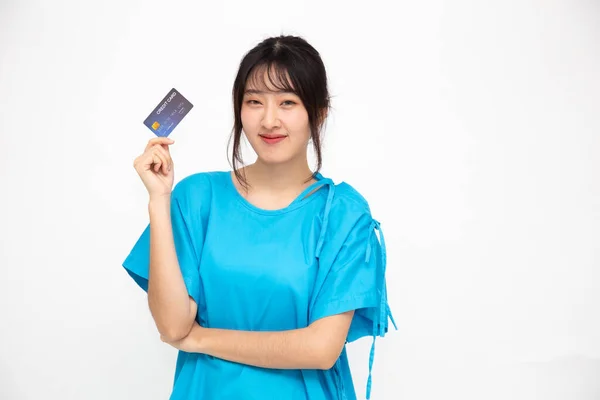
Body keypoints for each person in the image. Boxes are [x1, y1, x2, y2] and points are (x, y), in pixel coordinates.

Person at [122, 34, 396, 400]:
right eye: (254, 102)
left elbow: (320, 349)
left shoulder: (342, 213)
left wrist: (200, 338)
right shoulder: (197, 198)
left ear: (318, 112)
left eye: (287, 102)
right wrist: (159, 201)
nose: (269, 120)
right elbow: (172, 325)